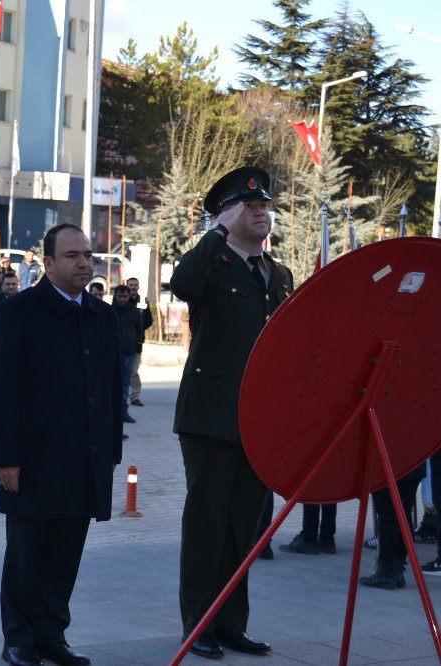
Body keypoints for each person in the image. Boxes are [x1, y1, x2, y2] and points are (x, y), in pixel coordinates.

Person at [0, 224, 123, 666]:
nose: (84, 263)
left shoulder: (102, 315)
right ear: (47, 264)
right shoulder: (18, 312)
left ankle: (51, 635)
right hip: (33, 461)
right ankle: (19, 638)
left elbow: (111, 391)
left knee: (65, 556)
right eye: (72, 256)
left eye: (88, 255)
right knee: (26, 557)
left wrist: (110, 453)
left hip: (85, 460)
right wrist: (6, 457)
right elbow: (2, 390)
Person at [172, 167, 293, 659]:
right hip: (210, 416)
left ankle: (230, 623)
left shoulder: (277, 273)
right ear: (225, 214)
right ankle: (197, 625)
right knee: (208, 525)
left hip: (259, 420)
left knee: (244, 527)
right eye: (248, 205)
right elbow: (181, 284)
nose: (260, 211)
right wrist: (216, 232)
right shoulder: (212, 263)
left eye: (264, 204)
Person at [361, 469, 426, 589]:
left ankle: (386, 573)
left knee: (388, 516)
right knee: (404, 514)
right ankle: (397, 570)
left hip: (388, 465)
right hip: (413, 465)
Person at [111, 284, 140, 425]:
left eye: (125, 296)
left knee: (125, 384)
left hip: (129, 353)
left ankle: (123, 411)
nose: (122, 299)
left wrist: (137, 345)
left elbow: (139, 331)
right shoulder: (109, 311)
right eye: (120, 296)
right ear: (115, 296)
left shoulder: (134, 312)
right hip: (112, 354)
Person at [125, 277, 153, 407]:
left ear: (138, 286)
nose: (133, 287)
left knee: (133, 371)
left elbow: (148, 319)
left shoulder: (142, 301)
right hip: (122, 341)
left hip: (137, 342)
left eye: (135, 285)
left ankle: (135, 396)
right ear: (127, 285)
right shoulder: (122, 298)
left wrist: (139, 330)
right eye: (130, 284)